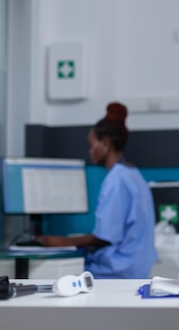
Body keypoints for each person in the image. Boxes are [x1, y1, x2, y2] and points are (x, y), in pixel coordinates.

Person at [39, 102, 158, 279]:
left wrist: (58, 242)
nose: (90, 151)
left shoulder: (116, 179)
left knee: (54, 276)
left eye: (92, 144)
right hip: (138, 268)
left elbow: (103, 238)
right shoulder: (134, 174)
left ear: (105, 144)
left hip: (118, 271)